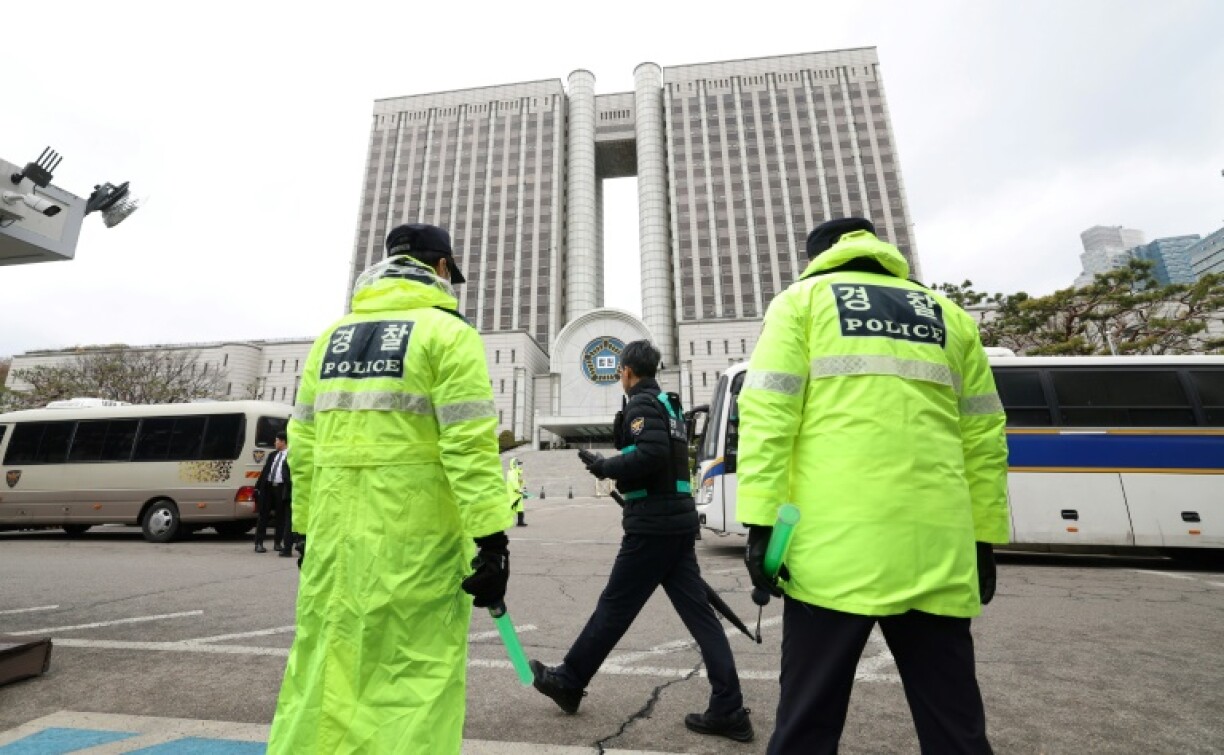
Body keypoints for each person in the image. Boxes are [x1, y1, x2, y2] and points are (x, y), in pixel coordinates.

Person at [736, 217, 1010, 754]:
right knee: (955, 726)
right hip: (939, 548)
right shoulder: (949, 315)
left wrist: (761, 521)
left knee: (806, 725)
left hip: (833, 550)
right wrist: (984, 537)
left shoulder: (803, 302)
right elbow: (984, 436)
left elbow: (767, 415)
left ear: (817, 257)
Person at [267, 223, 513, 755]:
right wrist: (492, 539)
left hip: (333, 542)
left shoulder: (329, 340)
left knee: (322, 670)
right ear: (441, 268)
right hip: (415, 542)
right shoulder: (447, 334)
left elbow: (302, 447)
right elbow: (468, 446)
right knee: (414, 676)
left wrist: (305, 528)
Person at [529, 340, 754, 743]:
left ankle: (569, 679)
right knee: (701, 617)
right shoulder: (668, 406)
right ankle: (729, 707)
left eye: (619, 371)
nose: (620, 378)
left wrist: (605, 467)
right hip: (674, 523)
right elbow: (659, 457)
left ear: (628, 372)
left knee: (614, 607)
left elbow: (648, 454)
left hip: (653, 527)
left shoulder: (641, 405)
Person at [253, 431, 291, 555]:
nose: (275, 443)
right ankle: (259, 543)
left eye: (276, 440)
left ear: (283, 441)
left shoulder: (290, 456)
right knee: (263, 515)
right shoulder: (272, 455)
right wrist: (257, 487)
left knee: (280, 516)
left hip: (281, 488)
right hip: (268, 487)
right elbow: (265, 472)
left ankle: (277, 542)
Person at [507, 457, 527, 526]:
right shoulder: (512, 472)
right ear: (514, 464)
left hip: (518, 494)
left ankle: (520, 522)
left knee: (520, 508)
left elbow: (519, 482)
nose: (520, 465)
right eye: (519, 464)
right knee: (511, 507)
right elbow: (513, 482)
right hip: (514, 493)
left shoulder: (517, 473)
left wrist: (523, 486)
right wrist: (518, 489)